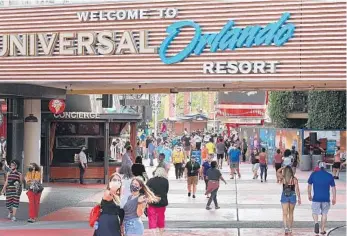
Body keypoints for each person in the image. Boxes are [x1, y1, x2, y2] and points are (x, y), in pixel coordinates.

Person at [308, 162, 336, 235]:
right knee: (324, 213)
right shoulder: (330, 176)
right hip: (326, 198)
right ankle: (322, 229)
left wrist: (309, 194)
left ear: (319, 167)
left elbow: (309, 185)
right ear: (325, 167)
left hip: (316, 198)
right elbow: (333, 188)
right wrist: (334, 198)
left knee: (314, 212)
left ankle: (316, 222)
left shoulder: (313, 174)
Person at [277, 166, 301, 234]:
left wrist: (282, 167)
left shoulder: (283, 178)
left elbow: (278, 172)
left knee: (285, 213)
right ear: (291, 171)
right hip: (292, 196)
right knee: (291, 213)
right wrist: (299, 198)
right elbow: (297, 190)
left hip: (284, 195)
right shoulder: (294, 179)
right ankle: (290, 228)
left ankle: (286, 228)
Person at [146, 168, 169, 236]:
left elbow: (146, 190)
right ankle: (161, 234)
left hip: (152, 202)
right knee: (161, 218)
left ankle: (154, 234)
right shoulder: (165, 181)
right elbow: (166, 191)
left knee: (152, 219)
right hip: (162, 203)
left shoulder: (150, 180)